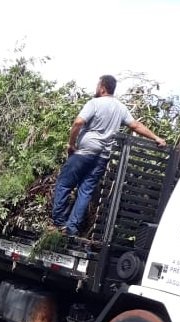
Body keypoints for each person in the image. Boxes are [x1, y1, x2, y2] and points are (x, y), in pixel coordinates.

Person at [52, 75, 166, 236]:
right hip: (102, 156)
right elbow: (135, 125)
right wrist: (156, 138)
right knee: (85, 191)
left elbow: (78, 122)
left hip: (84, 152)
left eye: (98, 85)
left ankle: (59, 222)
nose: (96, 88)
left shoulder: (95, 103)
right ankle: (71, 228)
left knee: (64, 184)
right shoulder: (120, 108)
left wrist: (71, 144)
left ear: (102, 87)